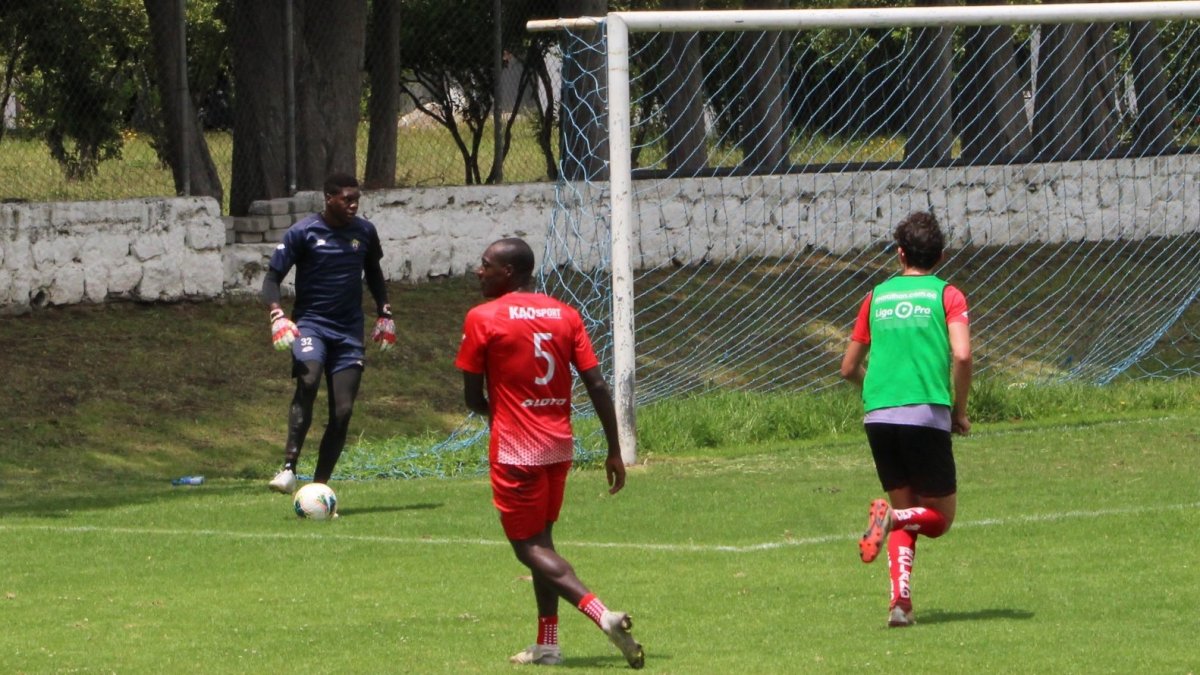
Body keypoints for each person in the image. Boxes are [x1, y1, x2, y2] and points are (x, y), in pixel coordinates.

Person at [454, 237, 645, 669]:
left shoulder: (483, 317)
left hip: (515, 450)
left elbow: (472, 397)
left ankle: (603, 615)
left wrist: (502, 412)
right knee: (543, 543)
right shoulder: (565, 314)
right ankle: (548, 644)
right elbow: (597, 384)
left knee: (528, 548)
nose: (479, 271)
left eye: (486, 265)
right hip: (558, 446)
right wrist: (614, 450)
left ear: (508, 272)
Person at [839, 211, 972, 628]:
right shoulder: (948, 295)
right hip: (924, 412)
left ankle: (900, 606)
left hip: (878, 416)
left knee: (909, 511)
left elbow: (847, 368)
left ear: (899, 254)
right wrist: (959, 411)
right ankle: (891, 518)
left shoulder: (876, 296)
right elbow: (963, 355)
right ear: (941, 256)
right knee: (938, 519)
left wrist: (877, 392)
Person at [262, 173, 396, 494]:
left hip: (348, 332)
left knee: (343, 410)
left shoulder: (364, 232)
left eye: (356, 200)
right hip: (311, 325)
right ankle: (289, 468)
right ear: (329, 198)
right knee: (308, 381)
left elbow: (374, 272)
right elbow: (271, 278)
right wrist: (277, 314)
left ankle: (319, 487)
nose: (353, 206)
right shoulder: (304, 232)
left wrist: (385, 312)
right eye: (347, 199)